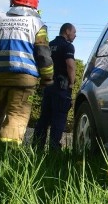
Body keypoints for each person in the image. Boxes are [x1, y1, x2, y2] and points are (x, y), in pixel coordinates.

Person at [0, 0, 54, 147]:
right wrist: (47, 78)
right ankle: (7, 155)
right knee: (16, 115)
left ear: (12, 0)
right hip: (24, 81)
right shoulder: (38, 24)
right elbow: (43, 54)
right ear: (35, 4)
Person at [33, 22, 77, 152]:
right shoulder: (68, 46)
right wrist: (72, 83)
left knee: (44, 119)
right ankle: (54, 151)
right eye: (74, 32)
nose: (75, 35)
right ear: (67, 31)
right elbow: (70, 65)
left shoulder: (49, 45)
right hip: (61, 87)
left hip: (48, 85)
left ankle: (37, 148)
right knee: (59, 119)